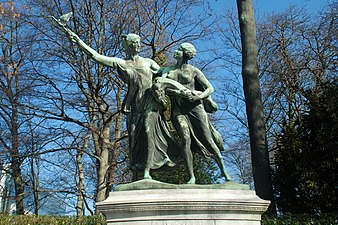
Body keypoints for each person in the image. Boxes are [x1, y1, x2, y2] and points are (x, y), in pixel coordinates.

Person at [64, 30, 177, 180]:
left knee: (149, 131)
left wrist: (168, 74)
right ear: (128, 45)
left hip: (151, 102)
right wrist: (78, 41)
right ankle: (140, 169)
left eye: (138, 43)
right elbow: (96, 57)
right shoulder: (122, 63)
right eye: (133, 43)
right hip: (134, 106)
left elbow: (164, 71)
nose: (137, 46)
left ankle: (147, 172)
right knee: (135, 139)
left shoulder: (148, 63)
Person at [154, 43, 232, 184]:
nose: (176, 52)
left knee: (208, 141)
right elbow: (162, 85)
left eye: (179, 50)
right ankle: (191, 177)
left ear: (185, 53)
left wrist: (199, 96)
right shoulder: (168, 71)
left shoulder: (194, 71)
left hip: (195, 108)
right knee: (185, 139)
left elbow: (210, 88)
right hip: (178, 110)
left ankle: (225, 173)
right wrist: (178, 93)